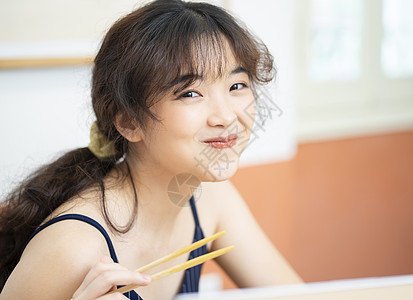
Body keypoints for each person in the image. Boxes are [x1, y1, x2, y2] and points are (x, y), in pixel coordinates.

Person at [0, 0, 301, 299]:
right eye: (190, 93)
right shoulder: (72, 248)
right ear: (129, 121)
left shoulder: (211, 199)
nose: (226, 117)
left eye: (237, 86)